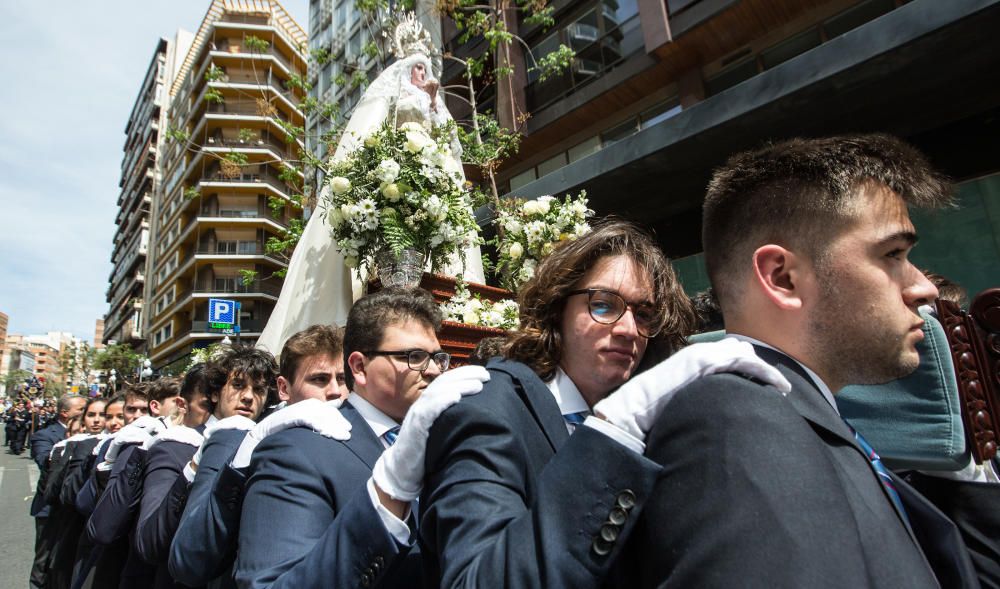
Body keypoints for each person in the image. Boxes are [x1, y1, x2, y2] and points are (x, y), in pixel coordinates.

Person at [622, 133, 1000, 587]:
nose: (924, 288)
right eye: (893, 254)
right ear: (782, 277)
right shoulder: (736, 425)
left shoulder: (812, 416)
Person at [403, 219, 787, 588]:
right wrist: (613, 429)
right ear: (557, 309)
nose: (628, 330)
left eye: (645, 313)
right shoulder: (488, 409)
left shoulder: (656, 420)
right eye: (603, 305)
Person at [255, 16, 483, 356]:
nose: (422, 74)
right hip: (399, 163)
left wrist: (434, 103)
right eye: (416, 68)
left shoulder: (433, 99)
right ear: (406, 67)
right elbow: (373, 129)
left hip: (430, 171)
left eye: (425, 68)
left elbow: (448, 140)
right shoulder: (393, 90)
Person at [235, 289, 488, 589]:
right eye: (415, 357)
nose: (432, 370)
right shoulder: (296, 452)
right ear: (359, 367)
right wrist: (389, 491)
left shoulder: (449, 442)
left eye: (438, 358)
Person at [167, 345, 279, 589]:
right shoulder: (175, 444)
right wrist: (194, 467)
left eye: (259, 389)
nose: (249, 397)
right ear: (216, 394)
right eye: (238, 385)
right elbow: (151, 540)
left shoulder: (270, 446)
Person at [28, 394, 85, 589]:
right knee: (44, 560)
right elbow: (44, 461)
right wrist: (70, 448)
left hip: (76, 509)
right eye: (81, 409)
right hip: (49, 509)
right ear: (64, 412)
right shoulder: (45, 436)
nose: (85, 413)